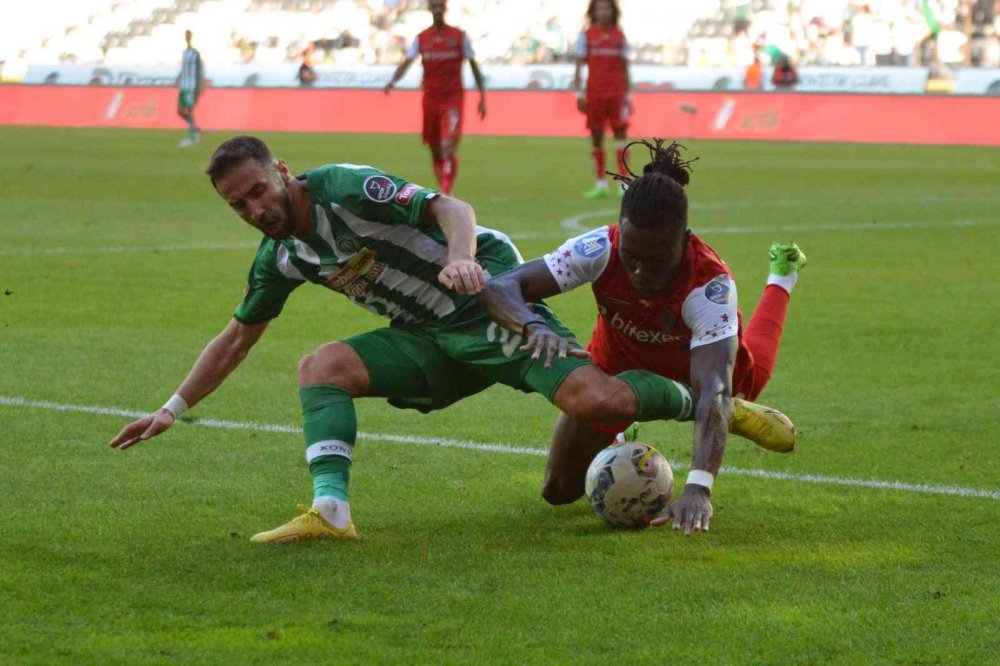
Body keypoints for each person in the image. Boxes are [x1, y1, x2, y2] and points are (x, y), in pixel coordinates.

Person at [108, 135, 793, 544]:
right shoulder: (281, 256)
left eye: (259, 190)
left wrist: (463, 257)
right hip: (429, 336)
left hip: (484, 304)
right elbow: (235, 338)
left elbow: (449, 207)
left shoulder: (346, 188)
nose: (255, 210)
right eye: (239, 206)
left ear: (281, 170)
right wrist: (171, 407)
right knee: (321, 366)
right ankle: (331, 511)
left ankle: (708, 404)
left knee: (602, 405)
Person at [480, 139, 807, 536]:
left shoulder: (709, 286)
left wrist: (699, 489)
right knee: (558, 490)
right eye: (631, 257)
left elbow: (715, 391)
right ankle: (622, 426)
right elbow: (500, 287)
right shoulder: (599, 248)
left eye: (656, 261)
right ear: (621, 235)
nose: (639, 273)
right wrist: (534, 328)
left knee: (735, 392)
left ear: (684, 242)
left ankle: (782, 276)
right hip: (616, 372)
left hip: (693, 374)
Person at [383, 0, 486, 196]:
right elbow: (408, 61)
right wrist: (393, 81)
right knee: (434, 148)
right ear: (429, 9)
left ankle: (446, 191)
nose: (438, 10)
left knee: (449, 146)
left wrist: (482, 96)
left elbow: (473, 64)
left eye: (441, 6)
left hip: (452, 98)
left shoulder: (458, 36)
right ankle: (445, 188)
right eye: (434, 6)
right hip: (431, 98)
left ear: (445, 9)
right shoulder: (422, 38)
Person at [572, 0, 632, 200]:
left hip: (617, 93)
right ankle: (600, 183)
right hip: (595, 93)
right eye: (599, 8)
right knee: (597, 137)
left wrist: (628, 96)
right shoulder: (586, 36)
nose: (603, 12)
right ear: (594, 12)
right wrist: (579, 93)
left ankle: (624, 182)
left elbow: (625, 68)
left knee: (620, 134)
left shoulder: (620, 35)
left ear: (613, 11)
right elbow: (579, 67)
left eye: (607, 8)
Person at [177, 30, 204, 148]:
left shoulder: (195, 53)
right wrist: (178, 77)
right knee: (180, 111)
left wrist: (199, 85)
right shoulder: (184, 52)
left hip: (191, 87)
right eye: (185, 35)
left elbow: (199, 69)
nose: (187, 37)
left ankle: (192, 136)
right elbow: (183, 69)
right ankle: (195, 130)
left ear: (191, 37)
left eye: (188, 35)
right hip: (183, 86)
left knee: (188, 110)